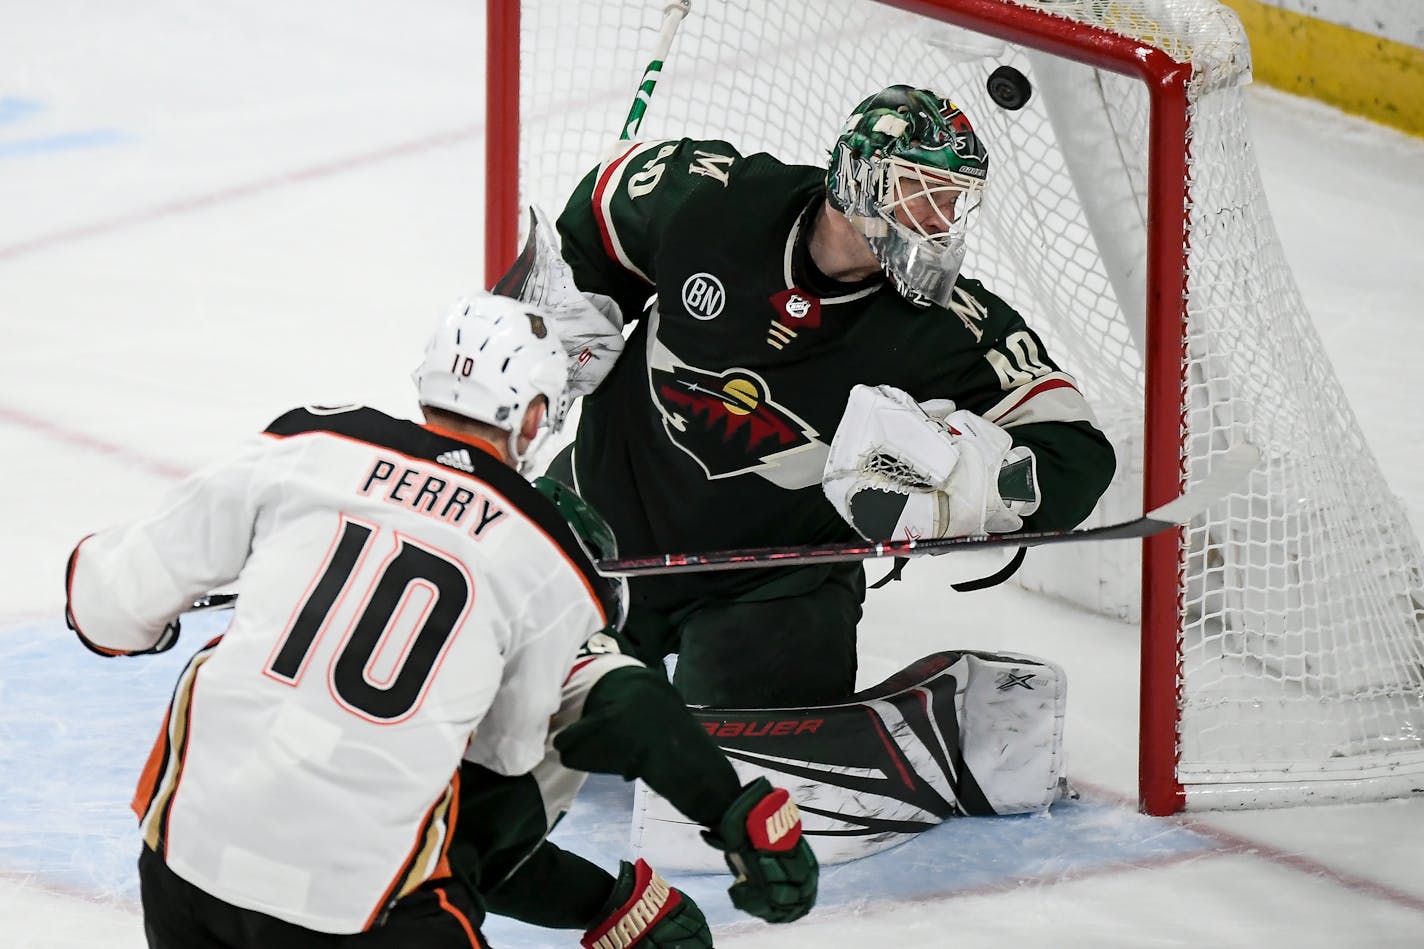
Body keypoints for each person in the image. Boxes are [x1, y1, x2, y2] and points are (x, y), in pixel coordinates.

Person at [62, 292, 816, 948]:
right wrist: (724, 816)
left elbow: (108, 605)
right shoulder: (546, 554)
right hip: (353, 904)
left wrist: (148, 622)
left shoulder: (310, 442)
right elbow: (506, 771)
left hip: (183, 854)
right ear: (532, 413)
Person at [502, 84, 1117, 709]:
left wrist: (976, 482)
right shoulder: (711, 200)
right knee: (500, 706)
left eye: (954, 201)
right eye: (922, 189)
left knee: (731, 764)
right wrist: (569, 306)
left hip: (772, 585)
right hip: (599, 523)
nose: (939, 220)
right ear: (857, 173)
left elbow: (1075, 449)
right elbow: (605, 209)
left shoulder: (946, 324)